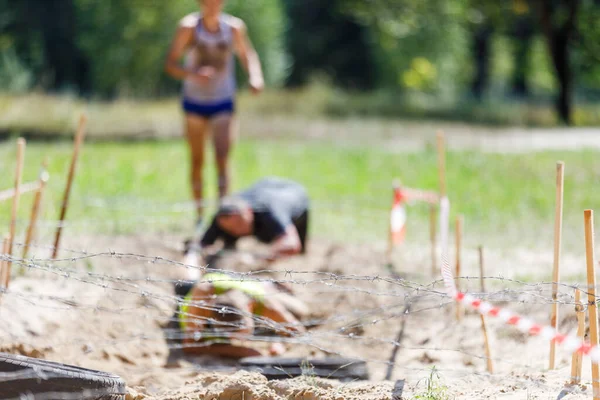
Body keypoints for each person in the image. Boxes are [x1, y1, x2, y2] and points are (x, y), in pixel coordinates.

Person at [164, 0, 264, 229]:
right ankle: (199, 218)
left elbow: (247, 54)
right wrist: (193, 73)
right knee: (198, 161)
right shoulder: (188, 27)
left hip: (223, 100)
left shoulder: (234, 28)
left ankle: (222, 218)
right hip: (195, 101)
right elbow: (171, 64)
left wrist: (255, 77)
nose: (212, 4)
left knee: (221, 158)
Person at [177, 270, 308, 359]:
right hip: (204, 283)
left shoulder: (264, 303)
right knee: (183, 282)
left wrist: (282, 344)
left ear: (250, 307)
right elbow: (190, 346)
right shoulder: (202, 298)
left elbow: (298, 331)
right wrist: (242, 351)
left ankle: (271, 284)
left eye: (241, 333)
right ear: (208, 309)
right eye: (230, 335)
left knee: (301, 312)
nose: (237, 341)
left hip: (253, 286)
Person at [198, 177, 310, 260]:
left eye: (239, 224)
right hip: (261, 189)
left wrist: (261, 259)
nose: (237, 231)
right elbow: (201, 246)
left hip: (293, 197)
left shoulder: (269, 212)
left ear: (249, 212)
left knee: (299, 253)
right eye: (230, 229)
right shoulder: (222, 216)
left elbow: (292, 244)